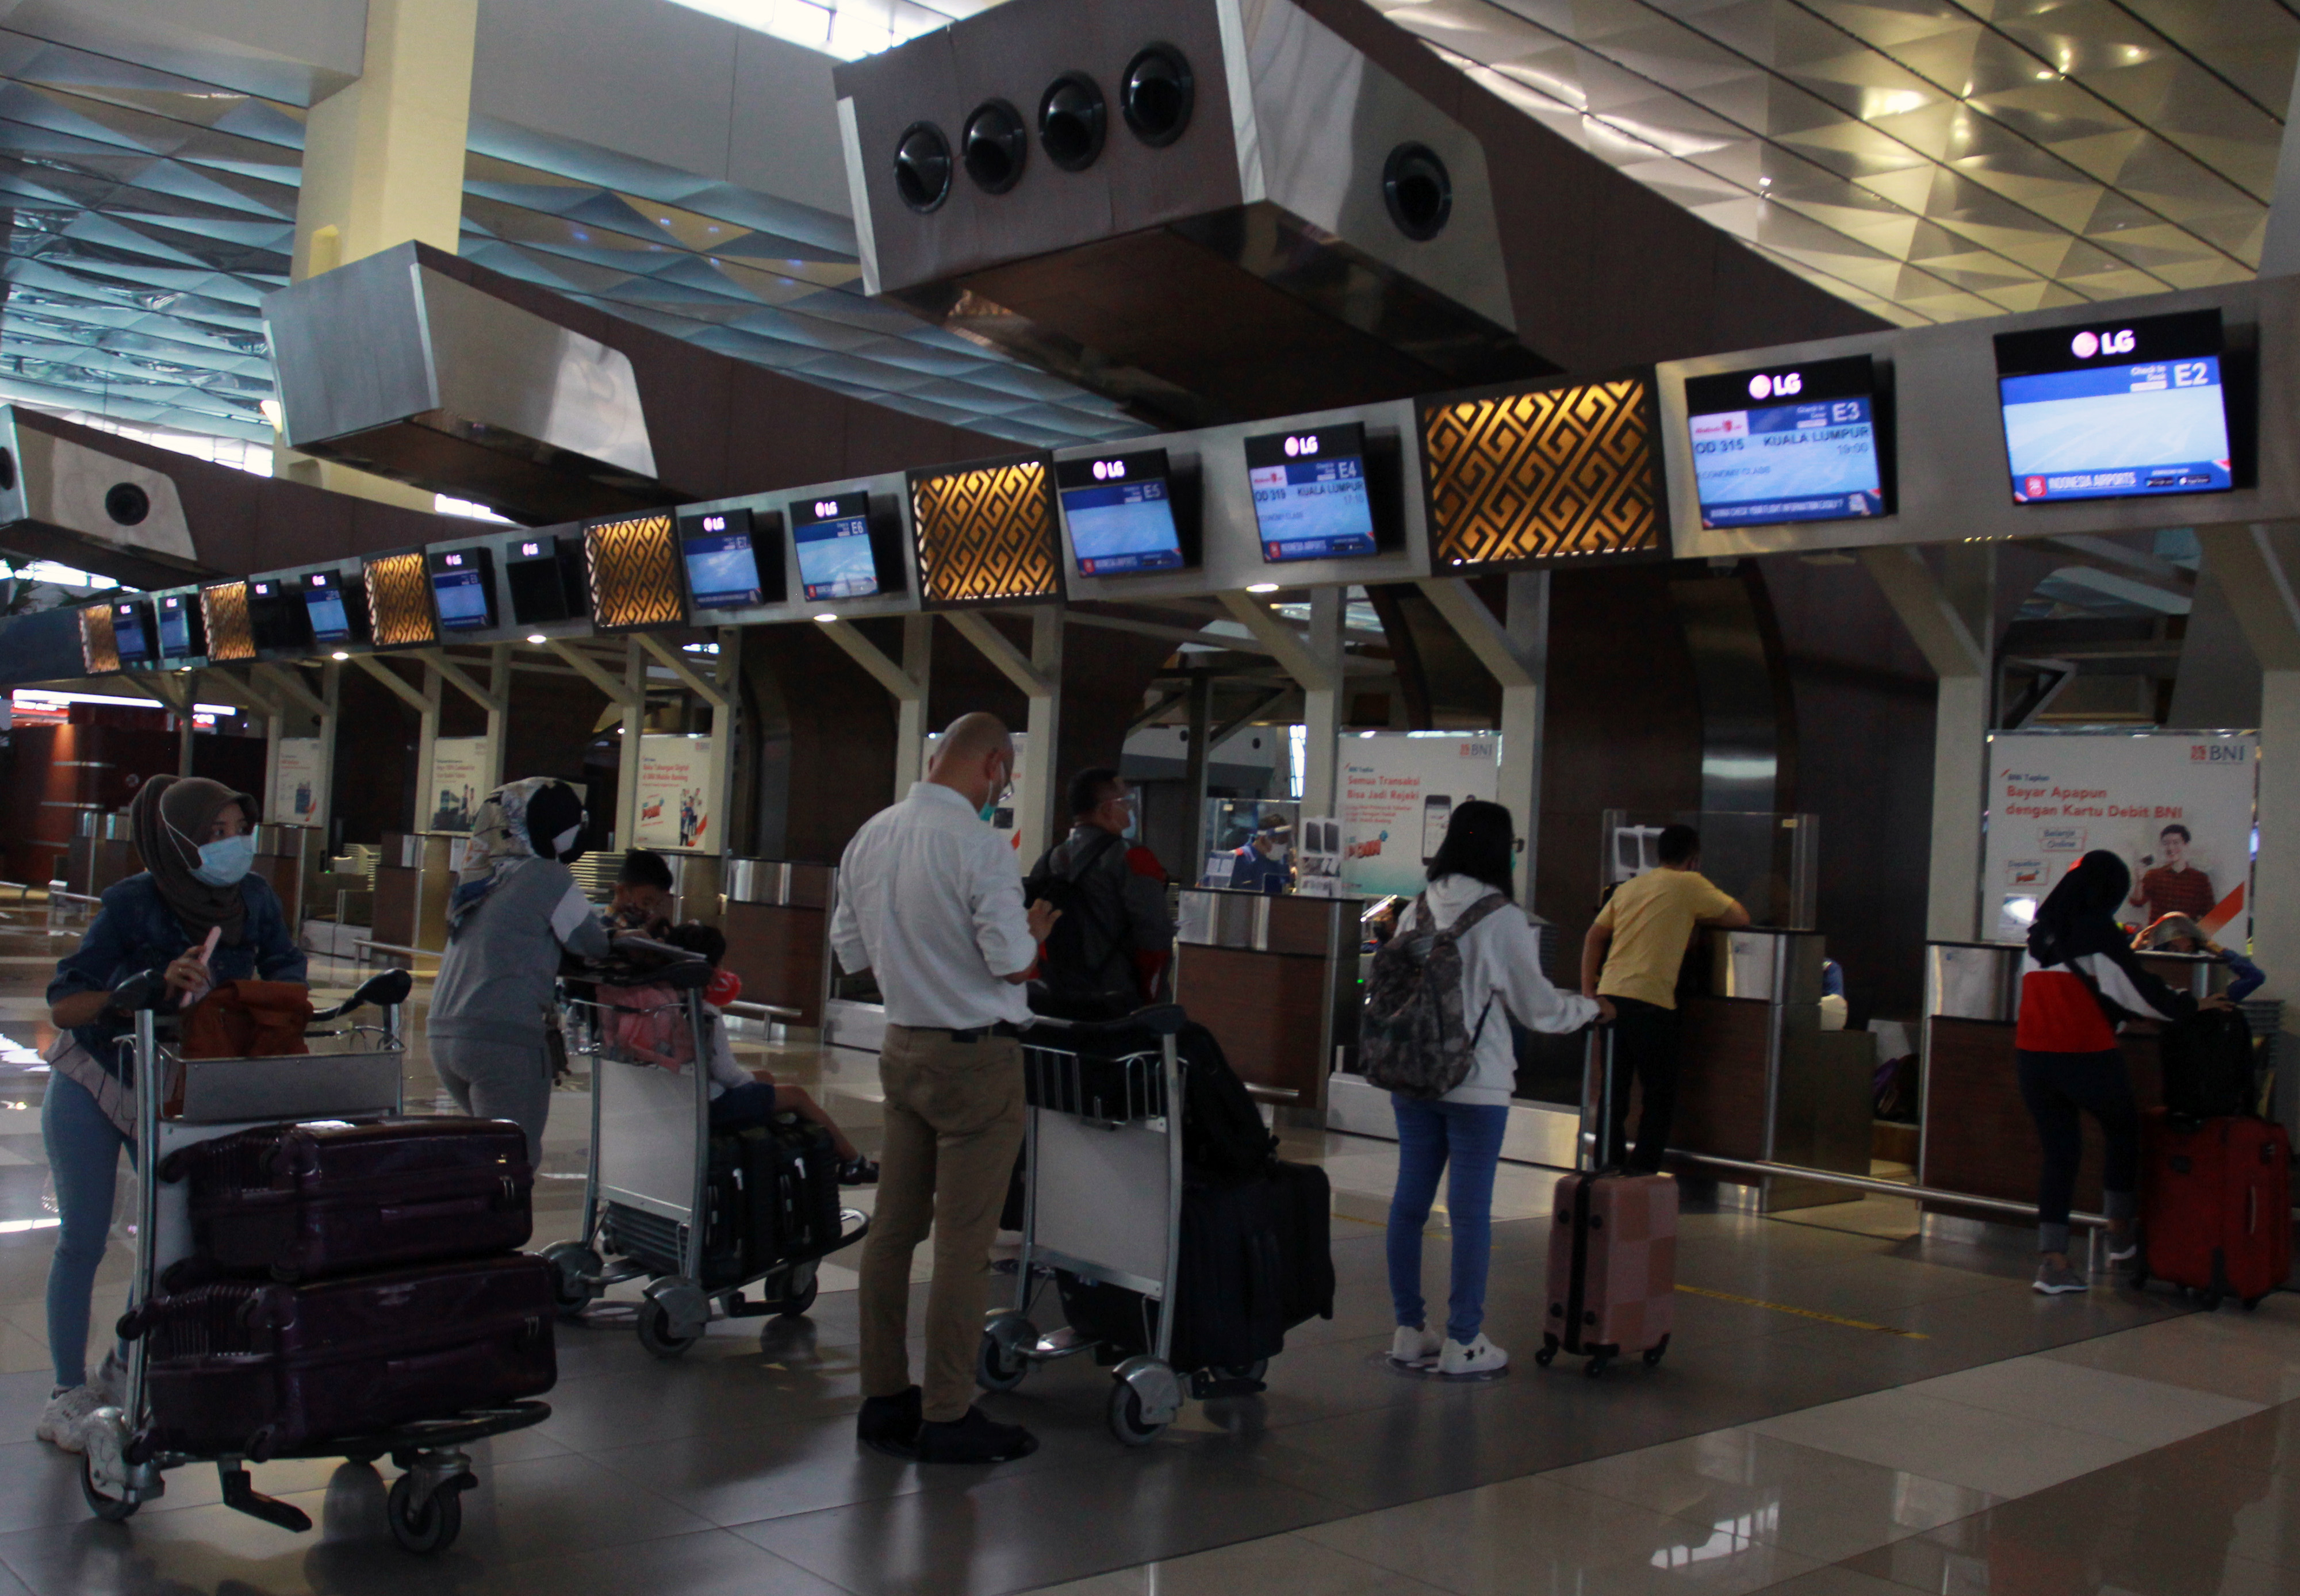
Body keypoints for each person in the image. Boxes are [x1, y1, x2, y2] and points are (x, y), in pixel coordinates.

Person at [39, 776, 306, 1451]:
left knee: (174, 1242)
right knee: (84, 1238)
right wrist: (144, 991)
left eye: (238, 829)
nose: (232, 845)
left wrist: (241, 995)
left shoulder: (255, 901)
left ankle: (125, 1364)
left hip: (178, 1090)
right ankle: (65, 1394)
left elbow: (289, 977)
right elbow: (65, 1003)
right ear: (179, 839)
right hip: (98, 1081)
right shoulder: (133, 903)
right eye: (214, 833)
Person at [831, 712, 1059, 1465]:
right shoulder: (979, 845)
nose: (1005, 787)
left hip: (902, 1048)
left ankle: (883, 1396)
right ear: (993, 764)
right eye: (1008, 774)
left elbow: (852, 950)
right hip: (977, 1061)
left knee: (894, 1229)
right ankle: (949, 1410)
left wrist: (920, 960)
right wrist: (1032, 932)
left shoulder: (873, 834)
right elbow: (1010, 961)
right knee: (964, 1245)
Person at [1384, 801, 1607, 1378]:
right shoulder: (1503, 918)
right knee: (1469, 1209)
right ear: (1500, 849)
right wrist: (1588, 1009)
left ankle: (1409, 1329)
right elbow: (1538, 1008)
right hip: (1475, 1083)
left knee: (1409, 1201)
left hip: (1412, 1073)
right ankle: (1464, 1339)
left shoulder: (1416, 908)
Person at [2020, 850, 2229, 1295]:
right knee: (2123, 1129)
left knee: (2060, 1154)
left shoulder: (2040, 933)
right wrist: (2191, 1004)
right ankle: (2120, 1232)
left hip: (2033, 1058)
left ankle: (2053, 1262)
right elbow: (2135, 990)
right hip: (2083, 1053)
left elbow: (2088, 988)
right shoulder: (2096, 929)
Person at [427, 778, 611, 1164]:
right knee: (514, 1163)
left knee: (486, 1159)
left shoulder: (482, 875)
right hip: (501, 1038)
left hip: (445, 1033)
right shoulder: (546, 875)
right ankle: (496, 1227)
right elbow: (594, 944)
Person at [646, 922, 876, 1181]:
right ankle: (854, 1161)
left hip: (671, 1100)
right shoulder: (704, 1011)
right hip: (711, 1104)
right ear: (709, 968)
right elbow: (727, 1074)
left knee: (766, 1084)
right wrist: (757, 1080)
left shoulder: (657, 1005)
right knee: (797, 1096)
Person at [1580, 824, 1749, 1172]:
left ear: (1659, 855)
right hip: (1651, 1000)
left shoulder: (1631, 887)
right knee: (1659, 1095)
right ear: (1694, 858)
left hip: (1611, 996)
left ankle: (1606, 1169)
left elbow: (1594, 936)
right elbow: (1740, 917)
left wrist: (1588, 993)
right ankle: (1642, 1172)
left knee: (1614, 1091)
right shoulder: (1691, 884)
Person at [1024, 767, 1174, 1019]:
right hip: (1117, 1004)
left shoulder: (1049, 860)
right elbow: (1155, 937)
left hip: (1057, 999)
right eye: (1126, 806)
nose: (1129, 816)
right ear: (1107, 810)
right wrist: (1153, 1002)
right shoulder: (1132, 857)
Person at [2135, 913, 2265, 1002]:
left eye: (2189, 950)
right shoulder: (2148, 989)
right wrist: (2135, 948)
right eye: (2174, 950)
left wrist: (2220, 951)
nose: (2182, 957)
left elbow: (2255, 977)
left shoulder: (2207, 996)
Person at [2129, 824, 2215, 937]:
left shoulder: (2200, 879)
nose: (2171, 848)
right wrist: (2139, 880)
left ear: (2186, 845)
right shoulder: (2154, 875)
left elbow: (2210, 915)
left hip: (2186, 941)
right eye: (2166, 844)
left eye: (2176, 843)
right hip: (2158, 939)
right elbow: (2137, 902)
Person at [610, 847, 676, 935]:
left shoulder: (643, 924)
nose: (651, 911)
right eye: (646, 903)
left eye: (658, 905)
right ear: (621, 891)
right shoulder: (608, 926)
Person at [1228, 825, 1290, 893]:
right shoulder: (1238, 859)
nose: (1281, 847)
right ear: (1262, 839)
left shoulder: (1279, 863)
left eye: (1284, 843)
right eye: (1279, 842)